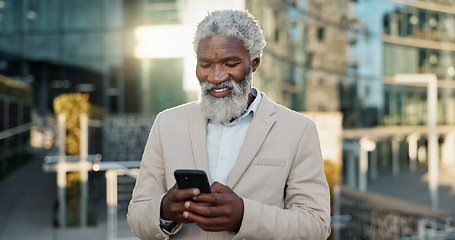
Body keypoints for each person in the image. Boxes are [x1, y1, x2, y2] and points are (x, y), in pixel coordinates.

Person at [127, 9, 331, 240]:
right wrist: (164, 210)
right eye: (205, 65)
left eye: (230, 63)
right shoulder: (167, 123)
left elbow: (316, 225)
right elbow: (137, 215)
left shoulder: (298, 129)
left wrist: (244, 216)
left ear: (254, 64)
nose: (216, 77)